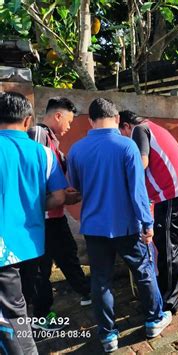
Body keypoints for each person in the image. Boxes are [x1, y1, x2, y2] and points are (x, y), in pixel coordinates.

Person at [67, 99, 171, 353]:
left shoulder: (76, 150)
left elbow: (77, 188)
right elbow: (137, 191)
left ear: (90, 121)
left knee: (100, 281)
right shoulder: (127, 146)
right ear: (115, 118)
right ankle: (154, 320)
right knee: (143, 271)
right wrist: (147, 222)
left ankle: (108, 336)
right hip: (126, 225)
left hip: (93, 226)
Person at [0, 92, 67, 354]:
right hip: (33, 245)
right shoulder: (44, 154)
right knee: (22, 307)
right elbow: (59, 197)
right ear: (28, 121)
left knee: (11, 319)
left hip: (4, 251)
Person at [118, 110, 178, 315]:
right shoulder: (152, 127)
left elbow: (141, 161)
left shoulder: (139, 129)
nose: (124, 140)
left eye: (121, 134)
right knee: (169, 249)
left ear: (126, 126)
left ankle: (168, 303)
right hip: (177, 194)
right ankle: (167, 296)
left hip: (174, 194)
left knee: (168, 251)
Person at [22, 97, 91, 332]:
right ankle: (41, 317)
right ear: (58, 116)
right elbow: (35, 175)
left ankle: (85, 290)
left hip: (54, 216)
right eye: (69, 122)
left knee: (66, 256)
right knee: (42, 268)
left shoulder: (52, 141)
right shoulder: (39, 134)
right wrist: (59, 196)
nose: (70, 127)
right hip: (44, 218)